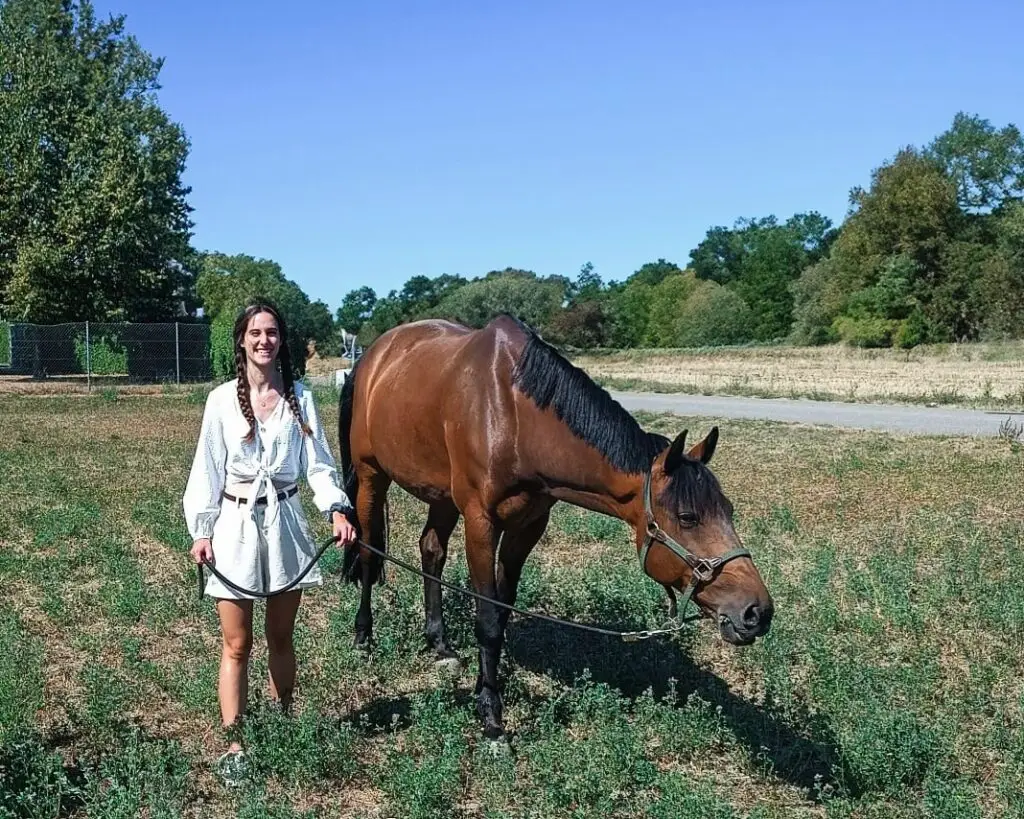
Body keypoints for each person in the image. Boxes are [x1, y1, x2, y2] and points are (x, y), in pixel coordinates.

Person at [182, 300, 358, 785]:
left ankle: (282, 722)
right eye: (256, 333)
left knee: (281, 637)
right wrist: (201, 530)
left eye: (273, 332)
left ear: (282, 340)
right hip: (234, 527)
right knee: (236, 644)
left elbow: (318, 465)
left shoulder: (300, 398)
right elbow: (207, 468)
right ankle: (234, 743)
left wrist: (336, 509)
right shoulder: (220, 400)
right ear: (241, 340)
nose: (265, 340)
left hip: (285, 525)